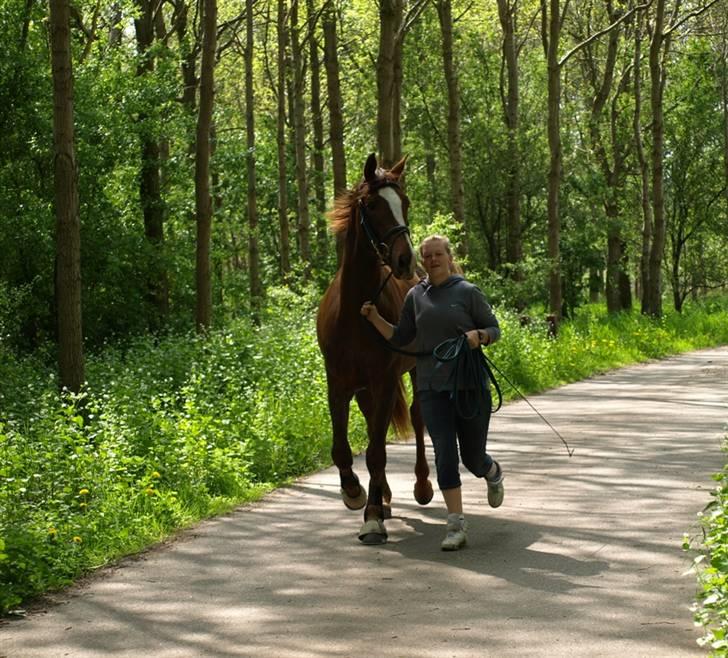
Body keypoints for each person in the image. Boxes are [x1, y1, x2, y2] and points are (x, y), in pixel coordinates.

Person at [360, 235, 503, 551]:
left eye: (439, 254)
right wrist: (375, 319)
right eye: (428, 255)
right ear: (421, 260)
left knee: (473, 458)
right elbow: (401, 337)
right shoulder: (415, 296)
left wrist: (480, 336)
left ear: (449, 257)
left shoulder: (467, 292)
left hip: (469, 387)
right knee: (445, 456)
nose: (433, 260)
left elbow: (495, 329)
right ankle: (456, 526)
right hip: (431, 389)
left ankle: (492, 472)